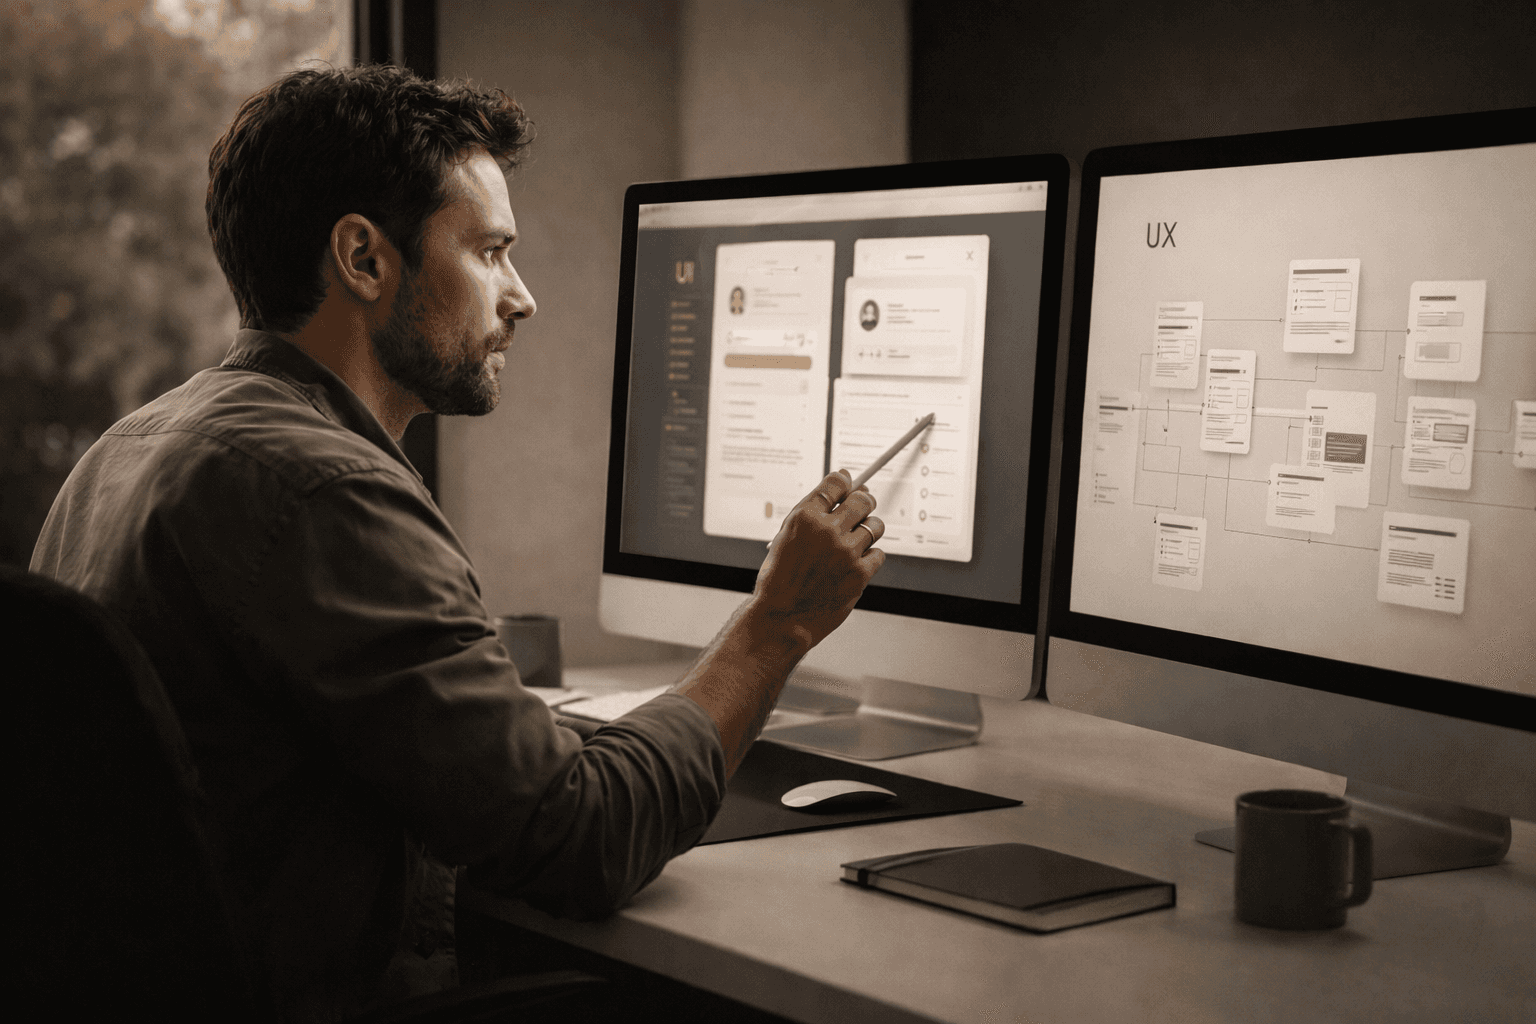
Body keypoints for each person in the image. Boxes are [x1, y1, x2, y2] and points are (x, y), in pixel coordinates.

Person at [30, 64, 885, 1023]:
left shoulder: (125, 451)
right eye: (489, 251)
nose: (522, 298)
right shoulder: (327, 490)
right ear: (363, 258)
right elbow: (580, 839)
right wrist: (776, 624)